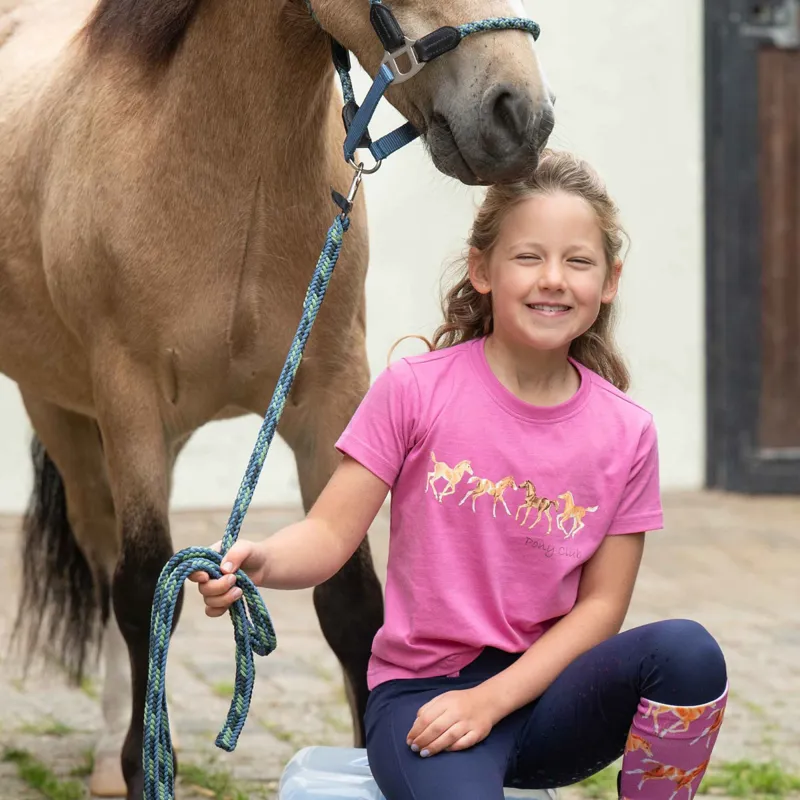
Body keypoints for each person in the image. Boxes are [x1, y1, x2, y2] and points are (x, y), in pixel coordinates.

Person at [189, 150, 728, 800]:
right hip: (423, 700)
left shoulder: (627, 431)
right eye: (528, 256)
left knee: (689, 654)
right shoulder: (414, 391)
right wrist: (258, 562)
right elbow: (330, 535)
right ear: (483, 269)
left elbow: (602, 607)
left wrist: (495, 699)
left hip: (546, 696)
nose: (553, 278)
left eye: (577, 261)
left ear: (608, 281)